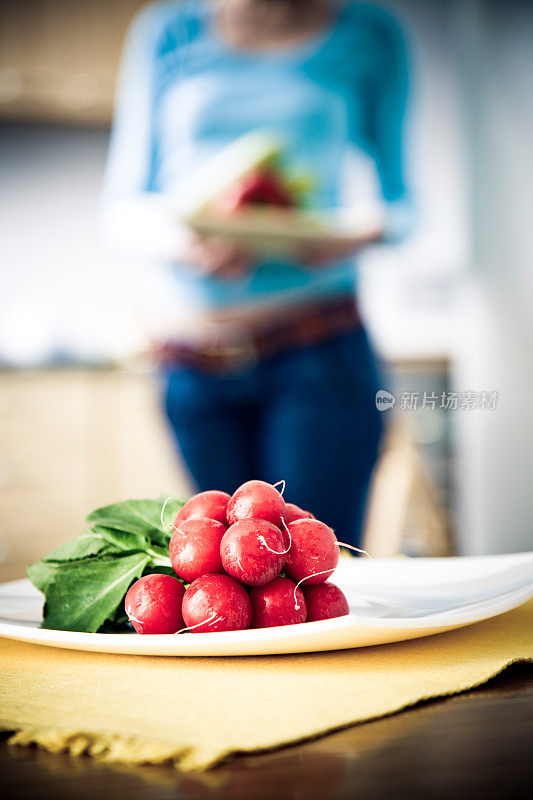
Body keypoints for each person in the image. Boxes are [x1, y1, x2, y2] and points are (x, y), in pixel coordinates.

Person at [102, 0, 412, 546]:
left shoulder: (369, 34)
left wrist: (344, 235)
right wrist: (186, 241)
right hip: (190, 368)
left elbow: (405, 208)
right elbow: (123, 208)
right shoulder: (167, 33)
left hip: (317, 358)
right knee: (227, 581)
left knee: (315, 573)